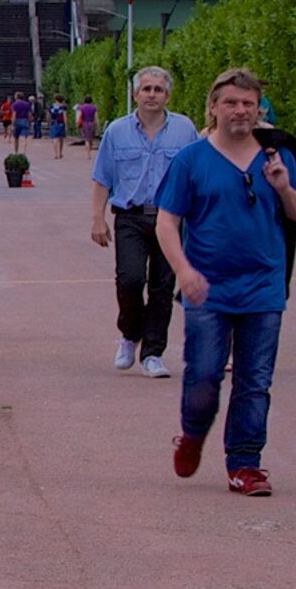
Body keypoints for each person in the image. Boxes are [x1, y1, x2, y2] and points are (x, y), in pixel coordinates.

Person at [156, 65, 296, 496]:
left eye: (249, 104)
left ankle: (246, 464)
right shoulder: (192, 159)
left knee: (255, 380)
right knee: (205, 374)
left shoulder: (275, 157)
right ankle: (192, 434)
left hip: (264, 286)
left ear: (259, 109)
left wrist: (283, 187)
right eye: (231, 103)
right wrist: (184, 271)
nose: (241, 111)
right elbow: (167, 222)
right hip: (208, 288)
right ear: (213, 107)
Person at [89, 67, 197, 375]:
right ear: (135, 94)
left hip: (171, 219)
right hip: (131, 217)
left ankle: (153, 353)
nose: (152, 95)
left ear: (168, 95)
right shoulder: (117, 131)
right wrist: (97, 219)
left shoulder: (184, 130)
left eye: (158, 90)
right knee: (130, 279)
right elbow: (102, 178)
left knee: (163, 286)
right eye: (146, 89)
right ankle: (129, 333)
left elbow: (195, 176)